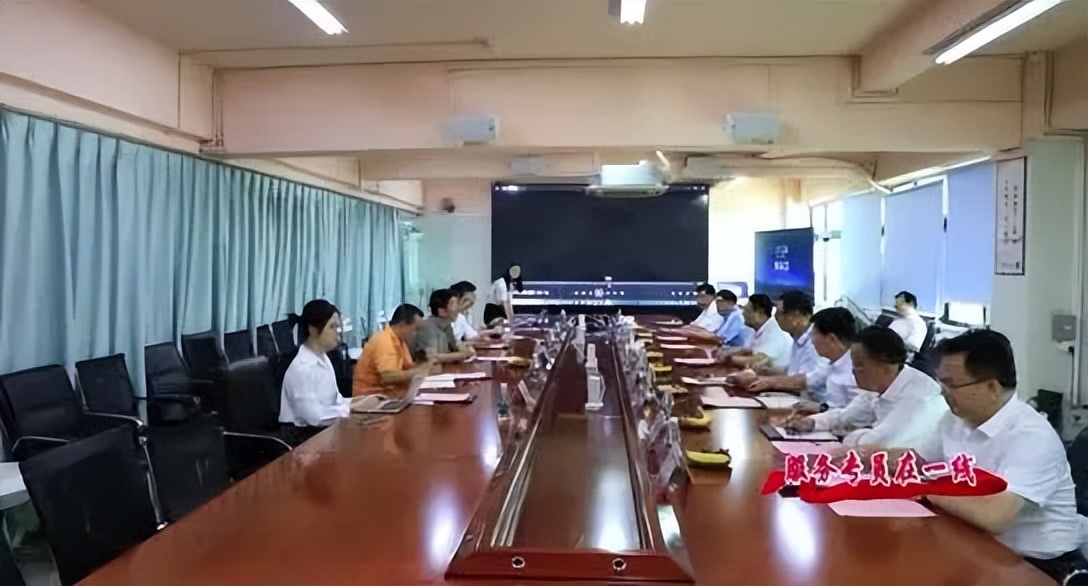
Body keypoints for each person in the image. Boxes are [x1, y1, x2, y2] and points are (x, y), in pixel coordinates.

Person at [907, 330, 1088, 585]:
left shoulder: (1030, 436)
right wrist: (868, 457)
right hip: (977, 546)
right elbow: (916, 462)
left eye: (952, 384)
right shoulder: (956, 419)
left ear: (992, 387)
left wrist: (928, 488)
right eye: (941, 383)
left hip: (1040, 564)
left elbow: (994, 516)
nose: (943, 392)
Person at [783, 326, 946, 448]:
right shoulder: (881, 385)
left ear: (886, 366)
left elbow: (877, 444)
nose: (853, 371)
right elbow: (847, 414)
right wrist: (811, 422)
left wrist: (851, 435)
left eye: (859, 365)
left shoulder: (917, 397)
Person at [280, 300, 354, 429]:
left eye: (338, 327)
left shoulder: (324, 358)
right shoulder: (301, 368)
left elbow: (336, 400)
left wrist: (361, 404)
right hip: (302, 435)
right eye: (332, 327)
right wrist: (352, 410)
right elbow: (315, 418)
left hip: (326, 430)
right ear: (313, 329)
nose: (338, 332)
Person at [748, 291, 830, 400]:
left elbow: (803, 383)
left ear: (796, 315)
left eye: (779, 312)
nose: (776, 317)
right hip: (800, 398)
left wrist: (767, 381)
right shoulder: (798, 337)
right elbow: (792, 373)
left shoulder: (815, 342)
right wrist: (766, 372)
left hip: (814, 404)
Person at [353, 303, 429, 396]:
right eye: (416, 329)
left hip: (391, 396)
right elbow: (387, 377)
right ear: (403, 324)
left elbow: (407, 368)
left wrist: (425, 366)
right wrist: (417, 372)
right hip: (372, 398)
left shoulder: (399, 340)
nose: (416, 334)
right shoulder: (384, 340)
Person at [724, 293, 793, 373]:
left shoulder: (776, 332)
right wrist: (725, 352)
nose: (743, 313)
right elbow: (746, 349)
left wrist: (728, 358)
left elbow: (758, 360)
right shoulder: (753, 329)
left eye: (747, 311)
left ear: (758, 313)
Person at [414, 288, 475, 363]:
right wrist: (462, 355)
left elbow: (454, 347)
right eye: (453, 304)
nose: (458, 309)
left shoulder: (447, 325)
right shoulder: (427, 327)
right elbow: (431, 357)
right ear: (442, 310)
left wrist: (465, 347)